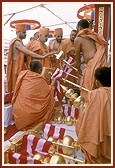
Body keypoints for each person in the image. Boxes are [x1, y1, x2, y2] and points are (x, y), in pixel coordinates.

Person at [75, 66, 111, 164]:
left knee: (82, 117)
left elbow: (87, 124)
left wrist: (81, 111)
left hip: (102, 147)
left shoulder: (97, 95)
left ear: (97, 82)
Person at [12, 60, 58, 130]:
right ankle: (34, 120)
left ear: (28, 67)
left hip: (18, 111)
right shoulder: (39, 80)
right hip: (29, 115)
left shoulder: (23, 74)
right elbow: (48, 92)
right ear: (40, 70)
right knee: (50, 99)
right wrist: (53, 82)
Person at [7, 24, 48, 92]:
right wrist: (42, 56)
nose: (25, 34)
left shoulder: (21, 42)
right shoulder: (16, 42)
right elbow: (28, 52)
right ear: (18, 32)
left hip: (21, 65)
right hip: (16, 66)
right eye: (23, 32)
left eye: (25, 32)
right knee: (17, 85)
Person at [73, 19, 108, 100]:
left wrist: (78, 70)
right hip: (100, 63)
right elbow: (89, 54)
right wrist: (78, 63)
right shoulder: (93, 35)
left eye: (77, 28)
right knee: (99, 88)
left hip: (92, 65)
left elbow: (77, 58)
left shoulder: (78, 39)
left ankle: (91, 108)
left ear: (79, 27)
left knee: (88, 89)